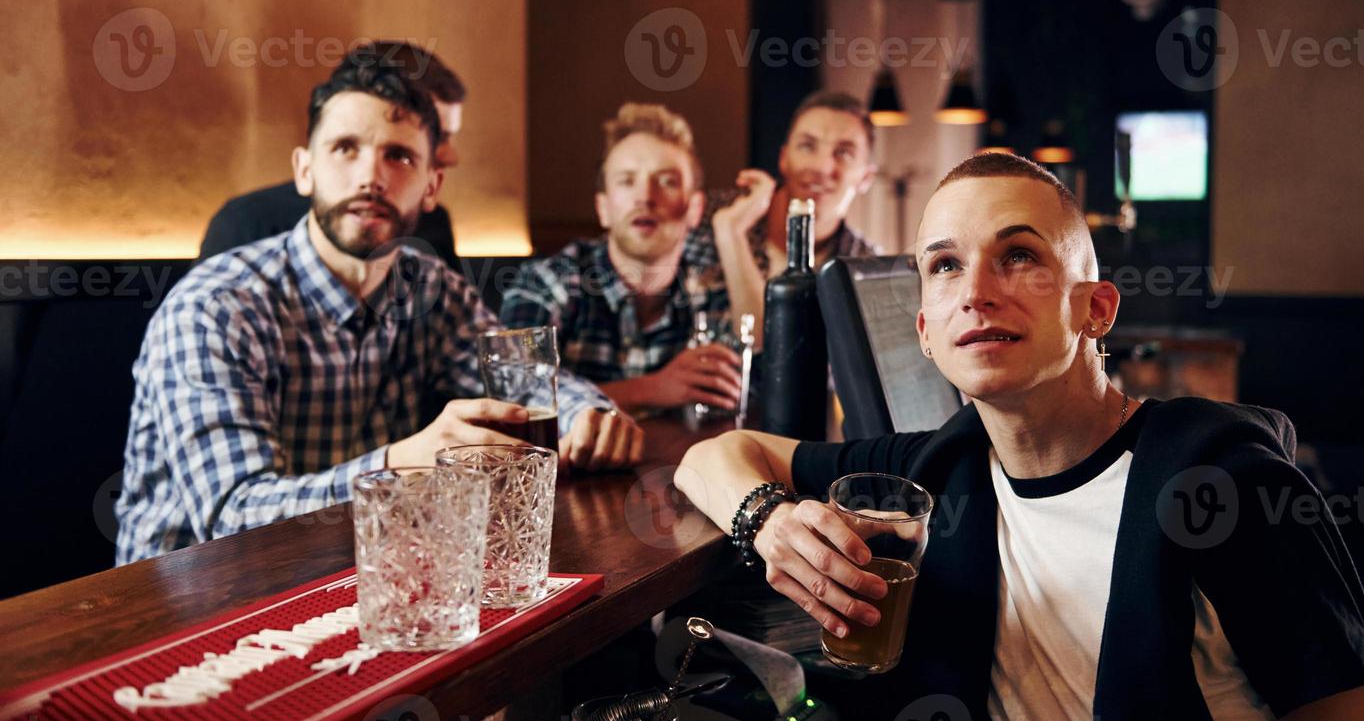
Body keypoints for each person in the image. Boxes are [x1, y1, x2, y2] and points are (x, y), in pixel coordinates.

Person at [674, 153, 1364, 721]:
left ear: (1096, 309)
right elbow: (710, 457)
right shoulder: (941, 466)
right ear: (927, 334)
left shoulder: (1225, 491)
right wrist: (768, 522)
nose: (976, 289)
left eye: (1020, 255)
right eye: (945, 265)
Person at [116, 61, 642, 565]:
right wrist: (403, 464)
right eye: (345, 148)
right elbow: (233, 518)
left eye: (400, 156)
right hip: (182, 609)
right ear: (305, 170)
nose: (371, 176)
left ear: (432, 185)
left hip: (355, 579)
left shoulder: (427, 284)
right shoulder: (216, 306)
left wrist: (589, 417)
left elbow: (521, 382)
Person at [498, 104, 743, 415]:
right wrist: (654, 388)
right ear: (603, 208)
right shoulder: (550, 282)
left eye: (667, 181)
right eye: (627, 181)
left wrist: (732, 232)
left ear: (694, 208)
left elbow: (763, 382)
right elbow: (512, 393)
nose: (645, 196)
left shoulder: (712, 287)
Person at [197, 40, 461, 263]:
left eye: (398, 154)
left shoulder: (434, 231)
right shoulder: (245, 223)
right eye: (438, 134)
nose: (451, 156)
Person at [690, 91, 879, 337]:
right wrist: (731, 232)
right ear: (784, 159)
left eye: (844, 153)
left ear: (866, 178)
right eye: (807, 146)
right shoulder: (708, 216)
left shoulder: (866, 268)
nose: (821, 167)